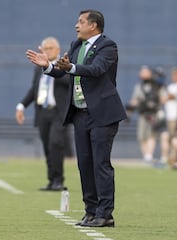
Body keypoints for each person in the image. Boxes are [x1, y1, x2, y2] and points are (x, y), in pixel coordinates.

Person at [26, 9, 127, 227]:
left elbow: (96, 69)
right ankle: (90, 211)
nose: (76, 25)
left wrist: (70, 67)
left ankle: (105, 214)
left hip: (102, 114)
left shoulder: (108, 46)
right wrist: (49, 66)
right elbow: (62, 71)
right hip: (80, 114)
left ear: (94, 25)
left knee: (101, 164)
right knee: (84, 164)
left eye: (80, 21)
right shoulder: (76, 45)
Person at [16, 37, 70, 191]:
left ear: (58, 50)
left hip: (59, 112)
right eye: (44, 48)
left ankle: (59, 180)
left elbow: (69, 82)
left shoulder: (64, 65)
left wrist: (52, 68)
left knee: (55, 143)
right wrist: (21, 106)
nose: (46, 51)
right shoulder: (37, 68)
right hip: (42, 112)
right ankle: (51, 180)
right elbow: (34, 90)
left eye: (50, 48)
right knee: (47, 146)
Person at [128, 66, 166, 163]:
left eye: (145, 72)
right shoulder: (139, 86)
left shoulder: (157, 85)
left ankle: (149, 155)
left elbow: (163, 98)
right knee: (142, 136)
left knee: (152, 135)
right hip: (143, 114)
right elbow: (135, 100)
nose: (143, 74)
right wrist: (129, 112)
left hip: (154, 113)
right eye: (142, 72)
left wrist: (159, 108)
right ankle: (146, 156)